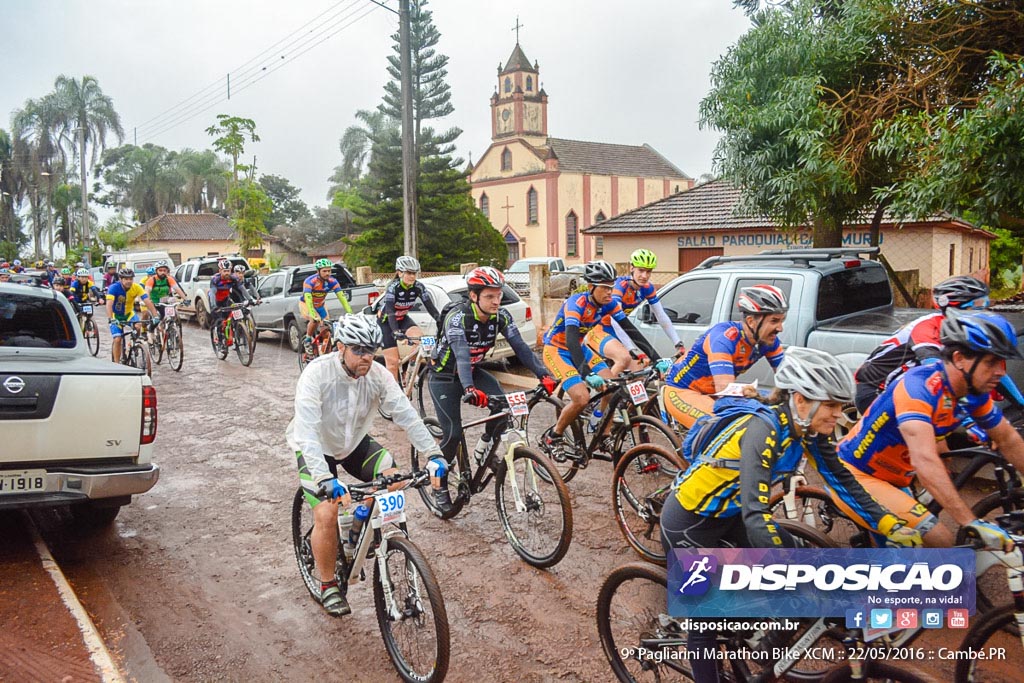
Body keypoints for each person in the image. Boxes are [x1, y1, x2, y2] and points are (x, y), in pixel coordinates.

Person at [661, 347, 920, 683]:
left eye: (840, 406)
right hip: (689, 522)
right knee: (707, 618)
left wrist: (887, 523)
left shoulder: (808, 430)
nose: (838, 415)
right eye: (830, 405)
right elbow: (757, 514)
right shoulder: (763, 428)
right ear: (800, 400)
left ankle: (758, 639)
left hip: (731, 514)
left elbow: (842, 482)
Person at [285, 315, 452, 617]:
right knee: (327, 511)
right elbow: (307, 430)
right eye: (358, 350)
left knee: (395, 478)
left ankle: (358, 526)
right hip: (317, 448)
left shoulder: (377, 374)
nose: (366, 357)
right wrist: (325, 478)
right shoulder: (316, 373)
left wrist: (434, 454)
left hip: (353, 444)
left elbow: (406, 414)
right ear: (340, 347)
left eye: (371, 350)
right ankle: (327, 584)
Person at [834, 312, 1024, 552]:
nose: (1001, 372)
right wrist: (971, 521)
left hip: (895, 479)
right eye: (991, 363)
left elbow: (1008, 439)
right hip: (857, 476)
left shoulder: (973, 393)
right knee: (941, 541)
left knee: (907, 557)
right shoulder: (918, 387)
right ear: (960, 358)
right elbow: (924, 460)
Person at [428, 266, 557, 465]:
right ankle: (439, 484)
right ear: (473, 296)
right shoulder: (457, 318)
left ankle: (484, 447)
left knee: (503, 409)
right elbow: (462, 354)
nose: (496, 301)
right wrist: (469, 388)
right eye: (489, 296)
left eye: (499, 295)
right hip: (444, 378)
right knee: (453, 435)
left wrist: (543, 375)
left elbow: (521, 348)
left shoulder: (501, 316)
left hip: (472, 371)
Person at [539, 260, 667, 459]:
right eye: (605, 288)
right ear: (591, 287)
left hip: (581, 349)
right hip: (557, 350)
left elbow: (632, 331)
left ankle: (603, 433)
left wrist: (656, 359)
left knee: (612, 386)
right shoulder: (576, 303)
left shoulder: (609, 305)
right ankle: (553, 436)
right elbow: (571, 339)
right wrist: (587, 374)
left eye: (612, 287)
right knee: (581, 398)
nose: (610, 292)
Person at [852, 275, 1022, 414]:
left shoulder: (965, 331)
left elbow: (993, 370)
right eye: (977, 306)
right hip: (874, 391)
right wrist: (967, 419)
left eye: (986, 304)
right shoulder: (927, 328)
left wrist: (1021, 404)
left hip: (906, 389)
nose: (983, 311)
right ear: (953, 307)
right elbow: (937, 377)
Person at [662, 284, 788, 429]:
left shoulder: (767, 339)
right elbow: (726, 389)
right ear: (751, 321)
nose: (780, 328)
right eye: (774, 321)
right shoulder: (723, 339)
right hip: (684, 391)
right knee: (722, 428)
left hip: (714, 393)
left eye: (781, 321)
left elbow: (787, 378)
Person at [585, 248, 684, 375]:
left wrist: (678, 343)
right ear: (632, 268)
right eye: (641, 270)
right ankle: (605, 391)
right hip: (602, 329)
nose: (644, 276)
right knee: (623, 359)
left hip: (621, 332)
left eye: (648, 271)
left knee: (638, 372)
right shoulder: (619, 286)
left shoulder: (647, 288)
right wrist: (632, 348)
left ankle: (621, 394)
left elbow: (661, 315)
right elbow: (616, 321)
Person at [377, 256, 440, 381]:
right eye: (409, 273)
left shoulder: (418, 287)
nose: (412, 276)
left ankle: (409, 370)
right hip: (386, 322)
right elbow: (390, 312)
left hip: (403, 319)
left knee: (421, 341)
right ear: (400, 273)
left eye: (414, 273)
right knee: (393, 363)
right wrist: (395, 332)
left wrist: (442, 321)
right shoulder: (392, 288)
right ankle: (393, 393)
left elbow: (431, 308)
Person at [106, 268, 159, 362]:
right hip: (116, 315)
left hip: (129, 313)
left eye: (130, 279)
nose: (128, 281)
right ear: (121, 279)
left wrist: (155, 316)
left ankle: (132, 344)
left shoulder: (137, 287)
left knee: (138, 326)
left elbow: (147, 300)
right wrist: (110, 318)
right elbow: (109, 304)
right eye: (126, 279)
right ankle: (116, 364)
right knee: (118, 339)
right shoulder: (114, 287)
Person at [302, 258, 353, 353]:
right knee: (315, 320)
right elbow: (308, 299)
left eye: (329, 271)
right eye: (324, 271)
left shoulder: (332, 281)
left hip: (320, 305)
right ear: (318, 271)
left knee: (327, 328)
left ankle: (324, 349)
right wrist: (313, 314)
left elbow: (342, 298)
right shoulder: (310, 281)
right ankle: (307, 340)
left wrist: (350, 312)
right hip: (306, 304)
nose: (327, 273)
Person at [208, 259, 257, 346]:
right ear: (220, 271)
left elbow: (242, 288)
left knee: (235, 314)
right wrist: (213, 306)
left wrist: (250, 299)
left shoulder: (233, 278)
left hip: (226, 299)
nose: (227, 273)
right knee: (220, 321)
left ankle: (236, 332)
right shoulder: (215, 280)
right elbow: (212, 293)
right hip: (215, 301)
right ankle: (220, 342)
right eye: (225, 271)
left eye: (228, 271)